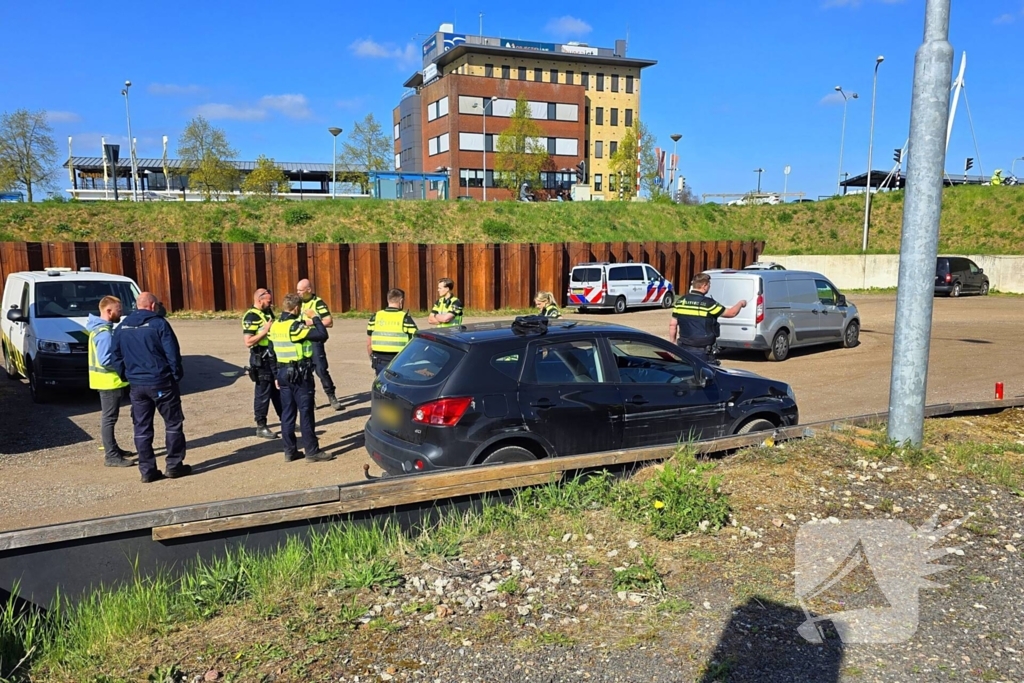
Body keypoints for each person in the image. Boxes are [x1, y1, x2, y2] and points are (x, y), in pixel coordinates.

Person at [110, 292, 188, 483]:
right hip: (161, 382)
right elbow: (173, 354)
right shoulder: (159, 324)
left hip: (137, 385)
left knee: (142, 429)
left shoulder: (122, 327)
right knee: (173, 423)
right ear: (152, 306)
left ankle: (147, 470)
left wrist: (127, 377)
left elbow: (115, 357)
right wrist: (175, 377)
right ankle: (174, 466)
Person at [269, 293, 335, 463]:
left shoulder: (275, 326)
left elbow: (271, 353)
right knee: (305, 412)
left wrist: (276, 374)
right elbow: (322, 335)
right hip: (299, 374)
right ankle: (312, 451)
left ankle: (289, 451)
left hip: (283, 373)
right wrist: (315, 317)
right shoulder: (294, 327)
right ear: (297, 308)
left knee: (287, 413)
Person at [86, 295, 135, 467]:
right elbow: (106, 360)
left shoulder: (100, 329)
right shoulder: (104, 333)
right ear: (108, 311)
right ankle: (111, 456)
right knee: (109, 419)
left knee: (109, 418)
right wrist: (126, 366)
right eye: (119, 310)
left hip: (107, 382)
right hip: (109, 382)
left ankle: (114, 450)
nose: (121, 314)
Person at [669, 273, 746, 363]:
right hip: (703, 351)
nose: (709, 287)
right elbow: (731, 313)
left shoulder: (680, 301)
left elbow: (672, 325)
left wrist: (673, 344)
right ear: (704, 286)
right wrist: (741, 303)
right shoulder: (708, 304)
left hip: (684, 348)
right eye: (709, 285)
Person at [296, 279, 341, 411]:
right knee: (305, 372)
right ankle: (310, 399)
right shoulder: (297, 303)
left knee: (321, 370)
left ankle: (331, 395)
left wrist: (309, 322)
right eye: (297, 290)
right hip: (302, 341)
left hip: (315, 340)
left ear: (308, 290)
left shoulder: (317, 303)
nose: (298, 293)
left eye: (300, 290)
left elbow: (328, 321)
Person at [242, 288, 281, 440]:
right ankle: (261, 426)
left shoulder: (267, 312)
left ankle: (285, 420)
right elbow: (248, 341)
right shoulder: (251, 316)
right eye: (269, 301)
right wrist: (265, 331)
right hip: (260, 359)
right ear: (259, 300)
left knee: (277, 391)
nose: (271, 304)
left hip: (272, 357)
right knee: (263, 393)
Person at [366, 288, 418, 375]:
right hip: (399, 359)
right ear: (401, 301)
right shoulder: (405, 317)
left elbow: (369, 343)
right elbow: (416, 339)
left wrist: (372, 358)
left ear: (388, 300)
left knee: (381, 383)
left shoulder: (376, 316)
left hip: (379, 359)